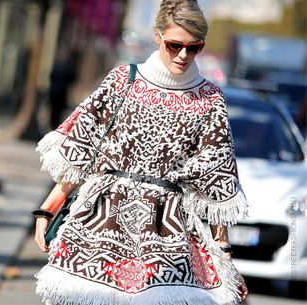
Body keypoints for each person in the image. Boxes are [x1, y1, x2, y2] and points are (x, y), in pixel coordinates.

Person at [33, 1, 249, 304]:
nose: (183, 55)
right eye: (175, 45)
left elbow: (216, 180)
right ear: (158, 36)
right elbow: (83, 149)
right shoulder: (123, 80)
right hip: (100, 220)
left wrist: (224, 253)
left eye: (194, 47)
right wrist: (49, 207)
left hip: (166, 230)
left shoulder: (209, 98)